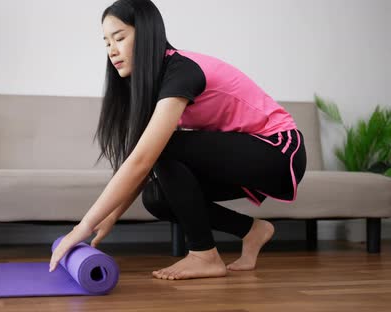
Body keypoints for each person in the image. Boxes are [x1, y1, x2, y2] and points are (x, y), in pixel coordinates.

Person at [49, 0, 306, 280]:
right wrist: (109, 218)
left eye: (119, 37)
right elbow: (144, 165)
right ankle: (252, 230)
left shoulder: (181, 70)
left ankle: (204, 255)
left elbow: (143, 159)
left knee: (165, 148)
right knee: (157, 197)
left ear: (146, 33)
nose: (111, 50)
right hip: (239, 155)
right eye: (106, 42)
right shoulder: (153, 85)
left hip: (278, 150)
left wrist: (82, 227)